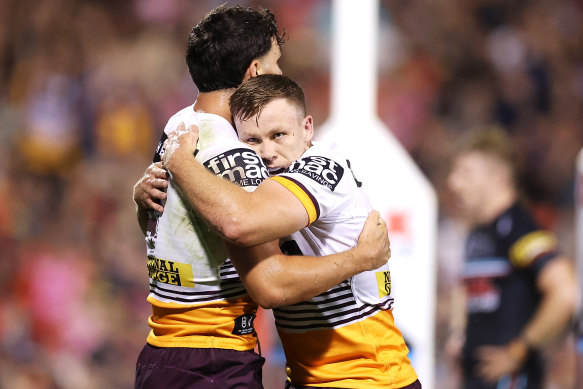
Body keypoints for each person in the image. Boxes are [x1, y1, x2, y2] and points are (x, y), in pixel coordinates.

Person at [132, 5, 391, 389]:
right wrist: (360, 259)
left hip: (161, 354)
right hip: (212, 359)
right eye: (276, 62)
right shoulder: (234, 154)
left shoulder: (180, 125)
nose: (281, 73)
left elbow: (159, 224)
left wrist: (143, 195)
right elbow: (264, 275)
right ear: (255, 71)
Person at [155, 74, 420, 389]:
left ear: (307, 128)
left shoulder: (321, 170)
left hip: (370, 379)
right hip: (310, 379)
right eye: (252, 140)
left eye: (278, 135)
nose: (267, 152)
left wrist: (179, 161)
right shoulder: (259, 186)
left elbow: (243, 231)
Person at [446, 128, 578, 389]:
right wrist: (459, 335)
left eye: (466, 173)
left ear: (499, 178)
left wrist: (518, 351)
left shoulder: (518, 229)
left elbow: (565, 291)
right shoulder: (479, 233)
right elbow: (468, 289)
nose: (454, 183)